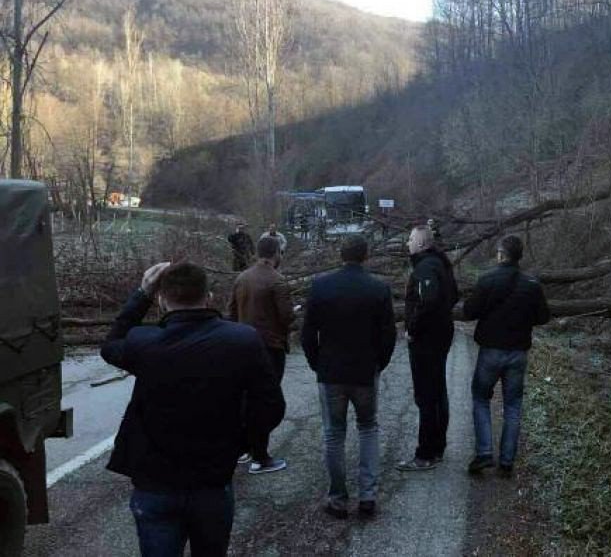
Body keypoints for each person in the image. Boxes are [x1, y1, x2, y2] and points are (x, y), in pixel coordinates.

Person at [101, 261, 285, 557]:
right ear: (209, 296)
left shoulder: (144, 342)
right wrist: (240, 444)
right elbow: (271, 406)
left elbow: (110, 345)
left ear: (161, 300)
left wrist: (141, 294)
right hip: (212, 479)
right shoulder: (241, 340)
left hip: (155, 482)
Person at [301, 235, 396, 519]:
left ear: (341, 255)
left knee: (334, 434)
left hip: (331, 372)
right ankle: (367, 496)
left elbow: (307, 333)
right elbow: (388, 334)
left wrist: (316, 363)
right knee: (368, 428)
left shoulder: (321, 286)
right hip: (365, 372)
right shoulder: (378, 288)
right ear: (365, 256)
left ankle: (338, 498)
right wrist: (380, 363)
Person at [463, 235, 550, 476]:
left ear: (501, 254)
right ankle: (507, 462)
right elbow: (544, 317)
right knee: (513, 405)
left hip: (490, 351)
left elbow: (469, 312)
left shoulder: (487, 280)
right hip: (518, 353)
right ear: (520, 256)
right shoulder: (532, 284)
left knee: (481, 399)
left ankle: (484, 453)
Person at [228, 236, 295, 474]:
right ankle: (260, 456)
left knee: (246, 400)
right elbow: (287, 317)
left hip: (243, 346)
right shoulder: (277, 281)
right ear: (276, 253)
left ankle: (244, 447)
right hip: (270, 347)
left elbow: (231, 313)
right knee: (269, 402)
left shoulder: (241, 278)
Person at [396, 224, 459, 471]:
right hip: (441, 334)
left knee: (426, 396)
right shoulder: (442, 264)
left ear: (422, 243)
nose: (407, 243)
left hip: (428, 340)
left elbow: (429, 300)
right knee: (437, 391)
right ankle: (438, 447)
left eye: (411, 239)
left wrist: (413, 327)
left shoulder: (425, 267)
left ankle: (425, 454)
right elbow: (454, 295)